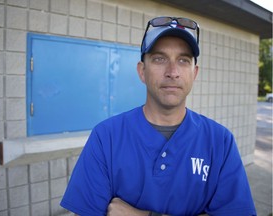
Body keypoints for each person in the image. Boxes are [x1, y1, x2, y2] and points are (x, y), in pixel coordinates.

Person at [60, 16, 256, 216]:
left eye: (183, 60)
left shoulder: (220, 141)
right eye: (159, 59)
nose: (172, 72)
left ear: (194, 73)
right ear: (142, 71)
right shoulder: (106, 137)